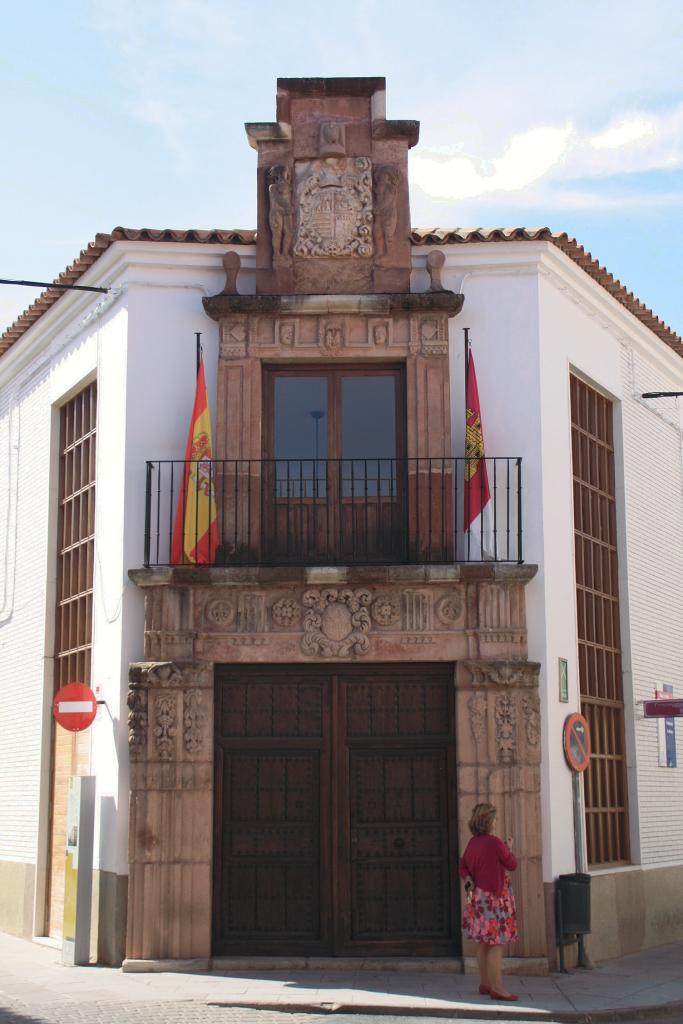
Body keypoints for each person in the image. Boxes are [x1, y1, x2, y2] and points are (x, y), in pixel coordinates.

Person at [459, 802, 519, 1002]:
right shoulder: (494, 842)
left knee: (483, 942)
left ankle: (484, 983)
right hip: (495, 899)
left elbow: (463, 867)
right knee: (496, 944)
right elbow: (512, 864)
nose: (496, 821)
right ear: (488, 821)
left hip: (479, 898)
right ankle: (498, 988)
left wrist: (469, 882)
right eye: (494, 818)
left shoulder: (472, 843)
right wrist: (509, 849)